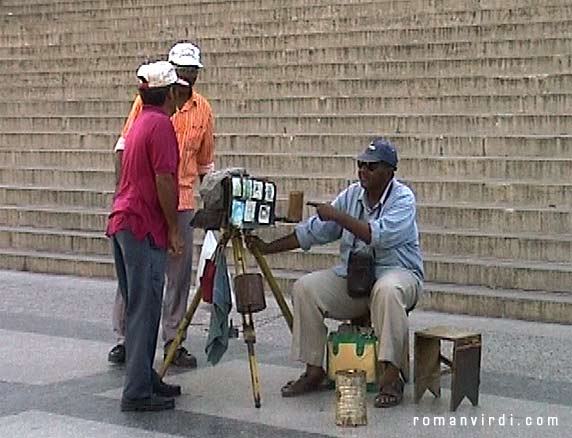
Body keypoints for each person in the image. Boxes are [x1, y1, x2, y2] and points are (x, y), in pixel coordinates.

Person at [246, 137, 423, 408]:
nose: (363, 170)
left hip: (398, 273)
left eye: (371, 167)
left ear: (389, 172)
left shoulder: (403, 199)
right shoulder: (352, 194)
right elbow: (315, 231)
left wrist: (337, 216)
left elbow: (375, 235)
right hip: (354, 278)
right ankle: (314, 369)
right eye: (360, 164)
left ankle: (391, 374)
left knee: (387, 290)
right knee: (306, 288)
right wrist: (268, 247)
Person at [108, 42, 215, 368]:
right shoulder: (150, 110)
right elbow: (124, 148)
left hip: (179, 201)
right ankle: (128, 340)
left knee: (176, 277)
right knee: (137, 277)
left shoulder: (203, 111)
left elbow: (204, 164)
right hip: (145, 205)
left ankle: (173, 339)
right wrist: (124, 191)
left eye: (190, 72)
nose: (185, 78)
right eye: (180, 72)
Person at [107, 61, 189, 411]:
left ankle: (144, 374)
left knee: (140, 305)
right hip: (142, 225)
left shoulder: (141, 122)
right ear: (170, 93)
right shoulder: (161, 127)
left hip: (123, 221)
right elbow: (165, 180)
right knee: (145, 308)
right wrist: (173, 229)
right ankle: (137, 391)